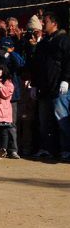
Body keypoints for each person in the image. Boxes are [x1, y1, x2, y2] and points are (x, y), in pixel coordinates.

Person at [31, 11, 70, 160]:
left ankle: (66, 149)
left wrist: (66, 79)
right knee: (44, 122)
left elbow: (68, 62)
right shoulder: (43, 43)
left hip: (59, 88)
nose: (42, 24)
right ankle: (46, 148)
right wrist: (34, 84)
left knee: (62, 120)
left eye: (45, 21)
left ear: (54, 23)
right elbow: (37, 65)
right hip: (44, 88)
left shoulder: (64, 41)